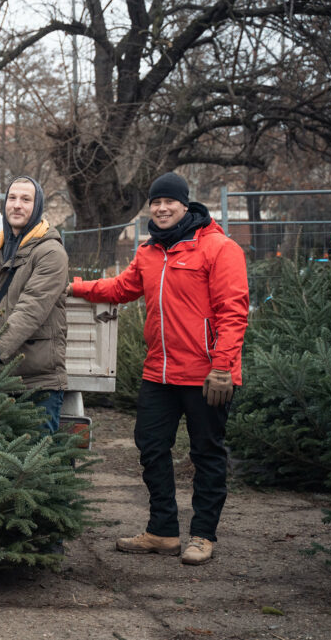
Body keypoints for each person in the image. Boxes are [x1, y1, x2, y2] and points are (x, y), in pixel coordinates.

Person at [69, 172, 249, 566]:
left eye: (169, 202)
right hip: (159, 373)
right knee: (150, 448)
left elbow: (233, 313)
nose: (162, 208)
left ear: (186, 205)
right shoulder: (150, 253)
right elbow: (120, 288)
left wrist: (222, 367)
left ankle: (202, 534)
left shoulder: (219, 248)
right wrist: (77, 287)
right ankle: (163, 531)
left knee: (207, 453)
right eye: (156, 202)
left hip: (206, 376)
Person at [0, 175, 69, 432]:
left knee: (34, 465)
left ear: (37, 207)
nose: (17, 205)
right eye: (12, 198)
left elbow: (30, 311)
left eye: (26, 199)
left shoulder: (50, 252)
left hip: (36, 382)